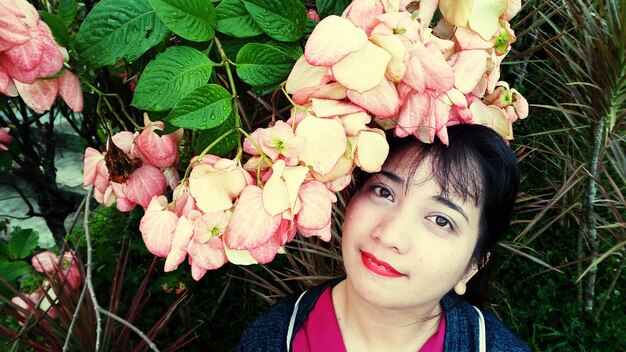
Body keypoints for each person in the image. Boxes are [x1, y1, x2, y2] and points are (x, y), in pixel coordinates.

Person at [236, 124, 530, 351]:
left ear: (473, 265)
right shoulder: (269, 340)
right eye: (384, 192)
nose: (390, 235)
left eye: (441, 220)